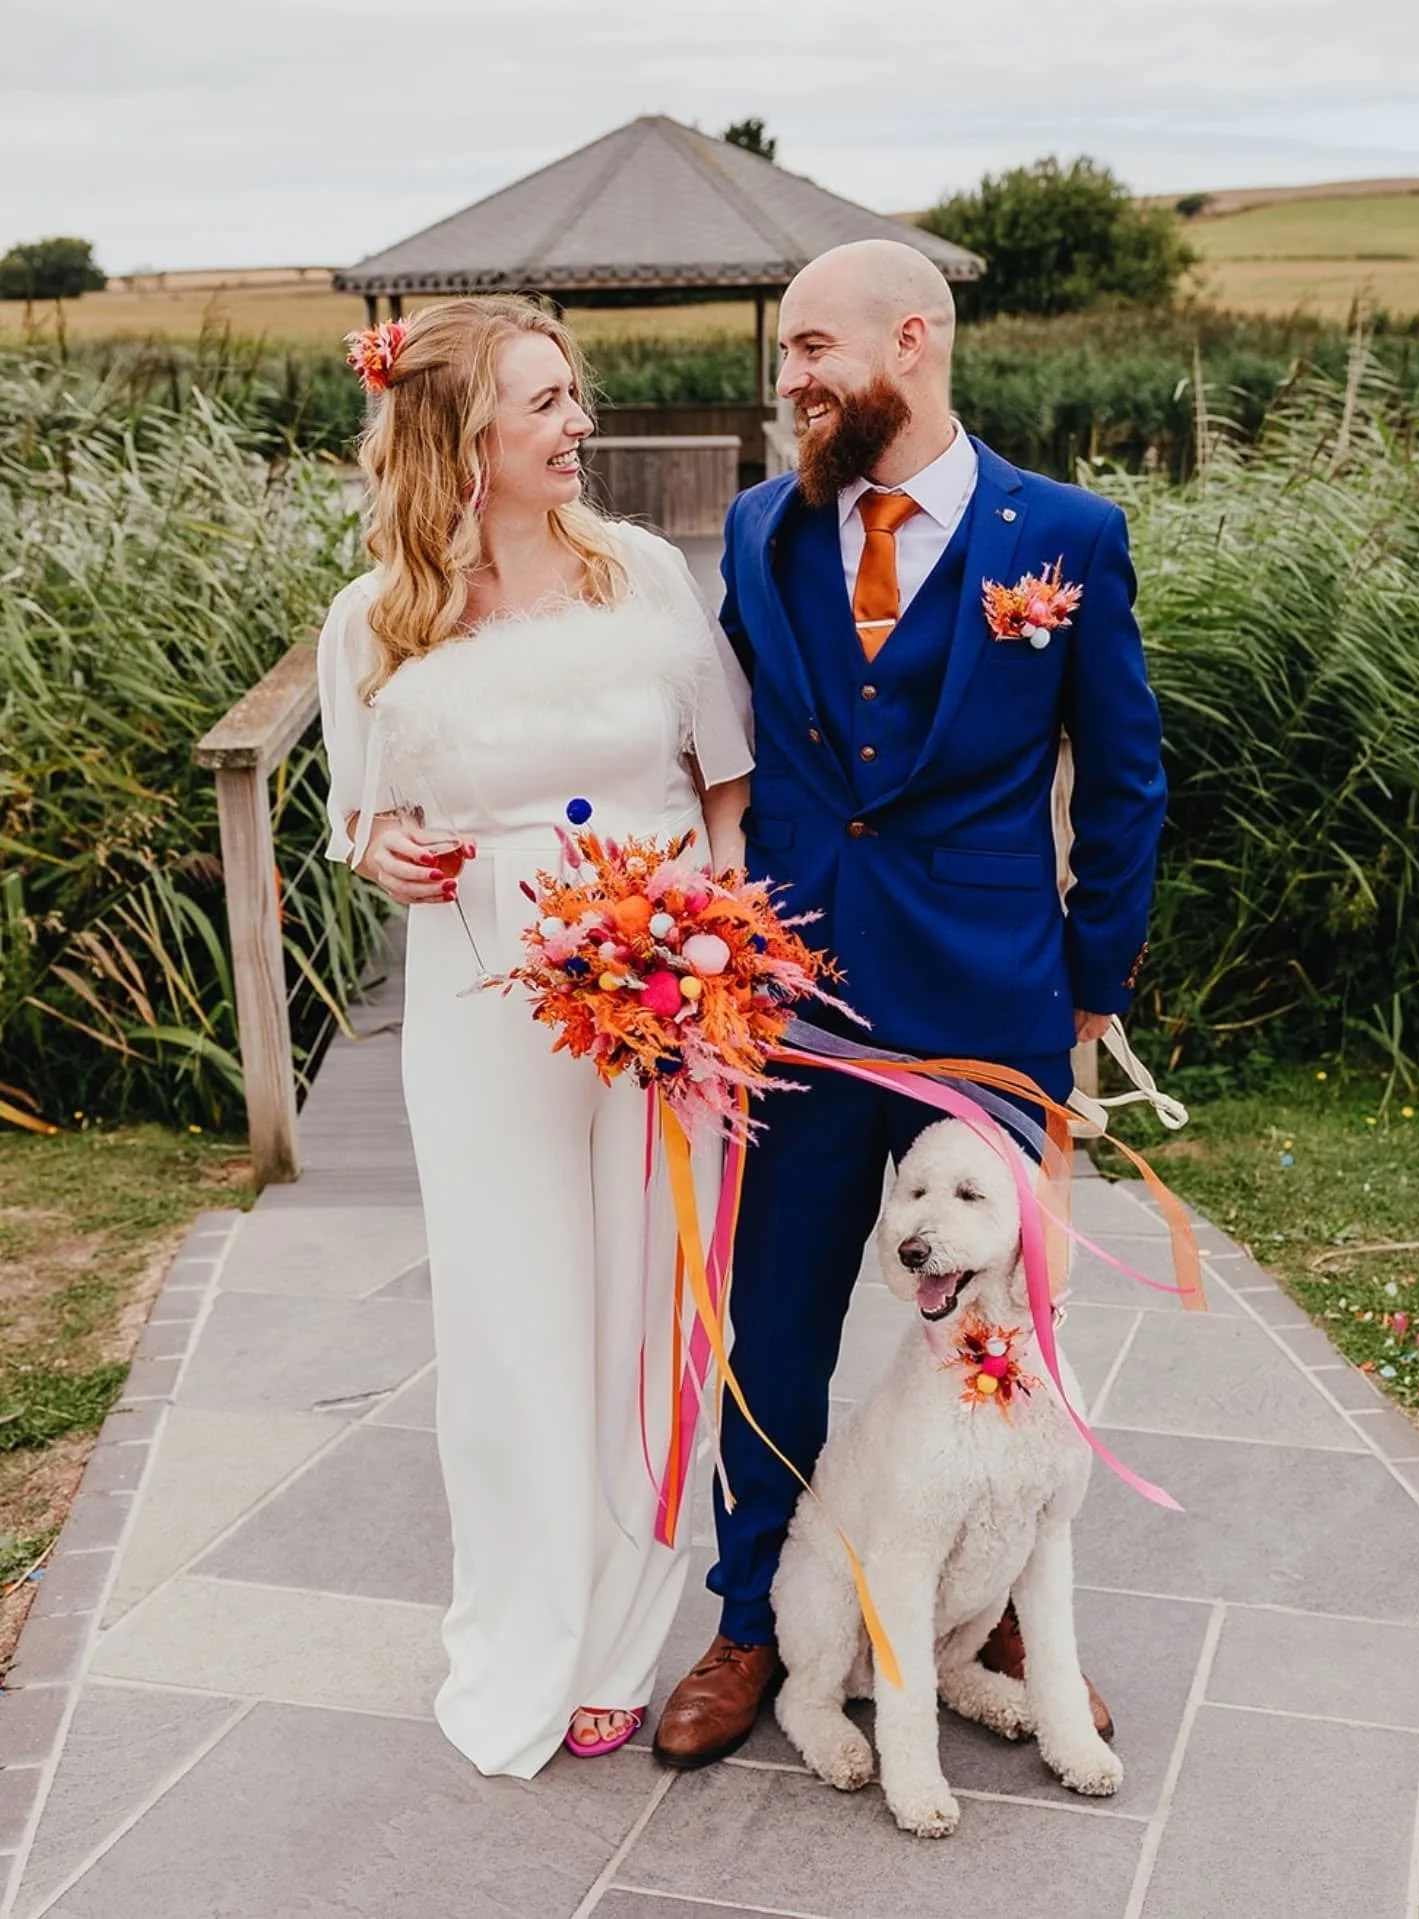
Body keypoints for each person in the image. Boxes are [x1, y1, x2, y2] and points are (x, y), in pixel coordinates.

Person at [653, 240, 1166, 1768]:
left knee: (1005, 1321)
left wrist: (1091, 984)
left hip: (991, 1009)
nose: (794, 379)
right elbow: (712, 734)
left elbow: (1125, 774)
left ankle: (997, 1601)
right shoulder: (759, 526)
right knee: (779, 1320)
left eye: (816, 348)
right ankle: (754, 1616)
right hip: (798, 1006)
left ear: (913, 337)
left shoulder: (1065, 534)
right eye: (788, 356)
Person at [317, 297, 752, 1777]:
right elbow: (360, 813)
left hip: (660, 985)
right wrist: (383, 850)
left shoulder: (636, 573)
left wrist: (714, 939)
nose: (580, 425)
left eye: (575, 395)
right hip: (485, 999)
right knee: (513, 1311)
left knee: (652, 1300)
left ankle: (625, 1628)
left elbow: (727, 771)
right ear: (463, 440)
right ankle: (528, 1612)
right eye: (546, 405)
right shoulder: (374, 615)